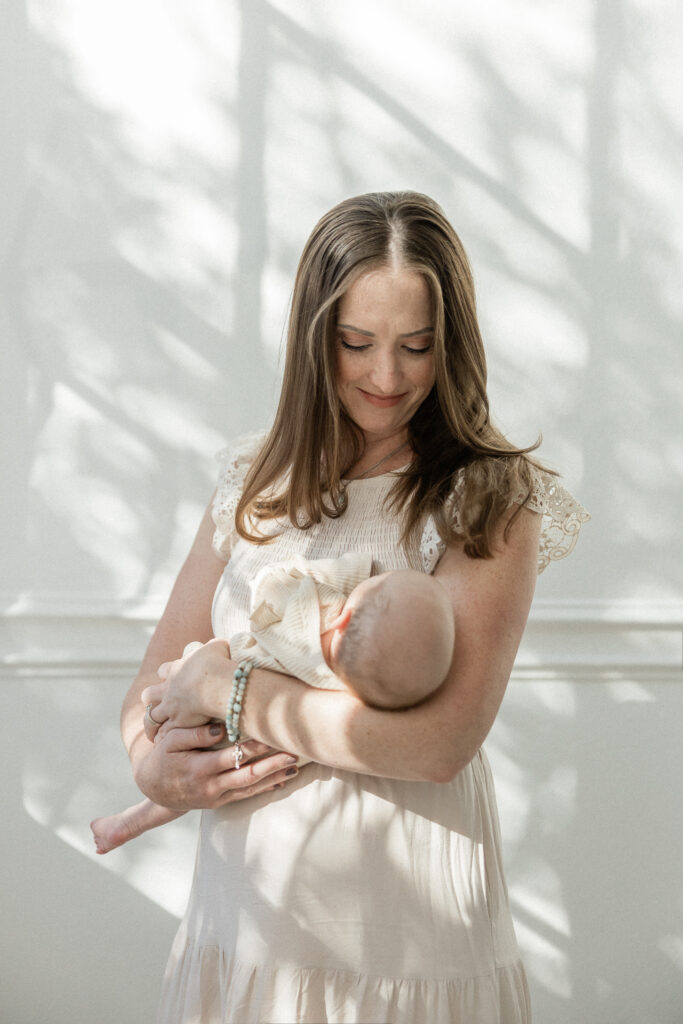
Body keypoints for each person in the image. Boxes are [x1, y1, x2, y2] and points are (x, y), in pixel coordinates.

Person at [121, 191, 590, 1024]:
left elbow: (438, 744)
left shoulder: (484, 495)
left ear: (451, 345)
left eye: (416, 346)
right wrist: (152, 764)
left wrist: (229, 694)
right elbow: (149, 683)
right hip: (246, 918)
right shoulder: (251, 480)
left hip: (403, 933)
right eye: (355, 343)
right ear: (313, 339)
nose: (386, 376)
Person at [92, 555, 454, 854]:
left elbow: (279, 585)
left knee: (192, 757)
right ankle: (132, 820)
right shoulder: (345, 692)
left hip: (204, 707)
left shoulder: (309, 623)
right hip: (263, 756)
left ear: (343, 618)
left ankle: (130, 821)